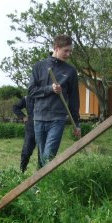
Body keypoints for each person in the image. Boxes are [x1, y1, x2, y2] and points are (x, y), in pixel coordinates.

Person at [27, 34, 81, 166]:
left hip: (57, 118)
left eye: (70, 51)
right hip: (39, 118)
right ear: (56, 48)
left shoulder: (70, 71)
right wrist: (50, 89)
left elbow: (74, 99)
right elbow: (31, 91)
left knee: (48, 157)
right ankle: (41, 185)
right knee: (41, 158)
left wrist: (76, 123)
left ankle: (42, 183)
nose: (68, 54)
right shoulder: (38, 67)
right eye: (66, 51)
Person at [12, 93, 40, 172]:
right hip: (31, 128)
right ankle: (22, 171)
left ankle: (41, 173)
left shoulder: (45, 96)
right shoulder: (27, 98)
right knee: (26, 152)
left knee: (42, 153)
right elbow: (15, 107)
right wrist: (23, 117)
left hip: (44, 128)